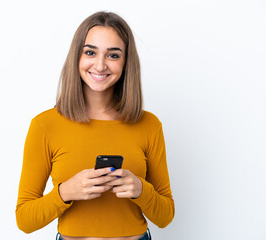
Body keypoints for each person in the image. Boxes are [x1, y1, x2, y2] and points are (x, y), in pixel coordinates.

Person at [16, 11, 175, 240]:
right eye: (90, 52)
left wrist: (141, 189)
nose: (100, 65)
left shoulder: (149, 125)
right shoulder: (45, 125)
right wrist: (64, 193)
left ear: (126, 62)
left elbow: (166, 216)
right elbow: (25, 220)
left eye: (113, 55)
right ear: (77, 57)